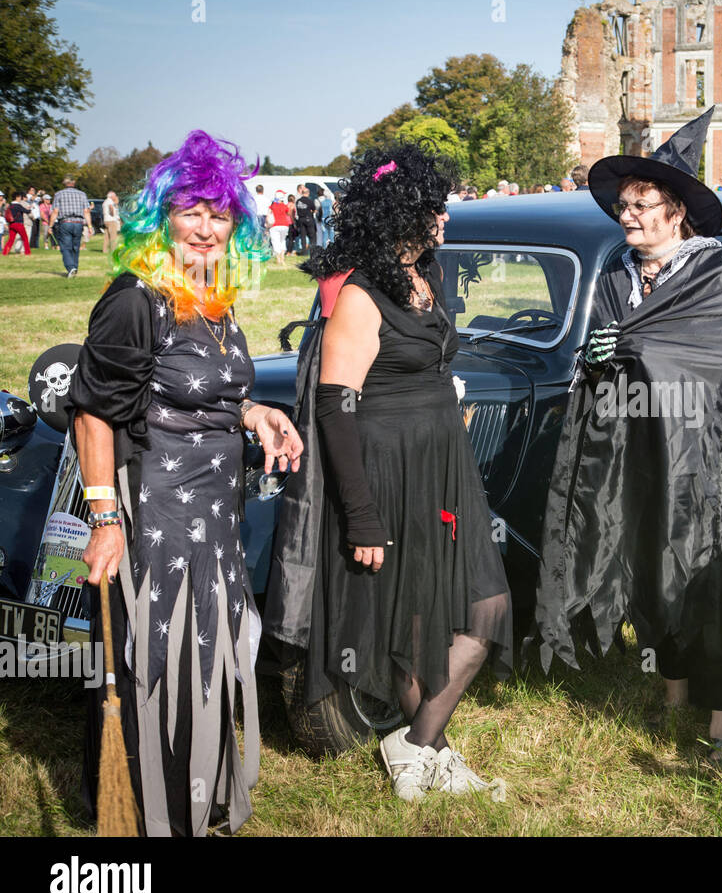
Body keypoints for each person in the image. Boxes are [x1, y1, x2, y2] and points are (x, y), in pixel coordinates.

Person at [70, 129, 302, 836]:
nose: (205, 228)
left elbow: (197, 392)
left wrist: (257, 411)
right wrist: (106, 521)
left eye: (220, 214)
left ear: (237, 225)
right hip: (156, 517)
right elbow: (92, 410)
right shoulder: (135, 299)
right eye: (191, 210)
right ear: (161, 216)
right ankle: (145, 816)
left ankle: (194, 803)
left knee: (205, 660)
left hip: (214, 522)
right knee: (156, 663)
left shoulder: (211, 298)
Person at [268, 145, 512, 802]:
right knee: (410, 617)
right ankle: (424, 749)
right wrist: (364, 516)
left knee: (483, 605)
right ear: (405, 212)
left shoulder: (427, 276)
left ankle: (418, 745)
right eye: (437, 206)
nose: (447, 216)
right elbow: (335, 407)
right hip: (387, 468)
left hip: (440, 464)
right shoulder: (361, 297)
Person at [535, 107, 722, 764]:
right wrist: (604, 356)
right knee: (653, 569)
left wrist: (642, 352)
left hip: (707, 460)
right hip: (639, 453)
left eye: (643, 205)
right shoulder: (616, 276)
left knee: (707, 578)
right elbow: (602, 361)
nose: (628, 216)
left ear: (677, 213)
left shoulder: (717, 275)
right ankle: (672, 695)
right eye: (624, 205)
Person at [51, 176, 92, 277]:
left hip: (65, 222)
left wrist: (50, 226)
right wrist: (90, 226)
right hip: (78, 223)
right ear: (74, 183)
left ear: (65, 183)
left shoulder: (59, 194)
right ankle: (75, 267)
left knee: (65, 247)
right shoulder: (82, 194)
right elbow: (86, 211)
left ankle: (70, 267)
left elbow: (55, 211)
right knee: (75, 247)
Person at [267, 191, 292, 264]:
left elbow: (268, 214)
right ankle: (282, 258)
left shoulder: (272, 206)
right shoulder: (284, 206)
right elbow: (288, 213)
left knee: (275, 241)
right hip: (284, 225)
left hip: (275, 225)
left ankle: (278, 259)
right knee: (282, 241)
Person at [294, 184, 317, 254]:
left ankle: (304, 251)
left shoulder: (298, 201)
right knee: (312, 236)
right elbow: (314, 210)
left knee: (303, 236)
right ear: (308, 193)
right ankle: (312, 251)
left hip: (301, 219)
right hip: (308, 219)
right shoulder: (309, 201)